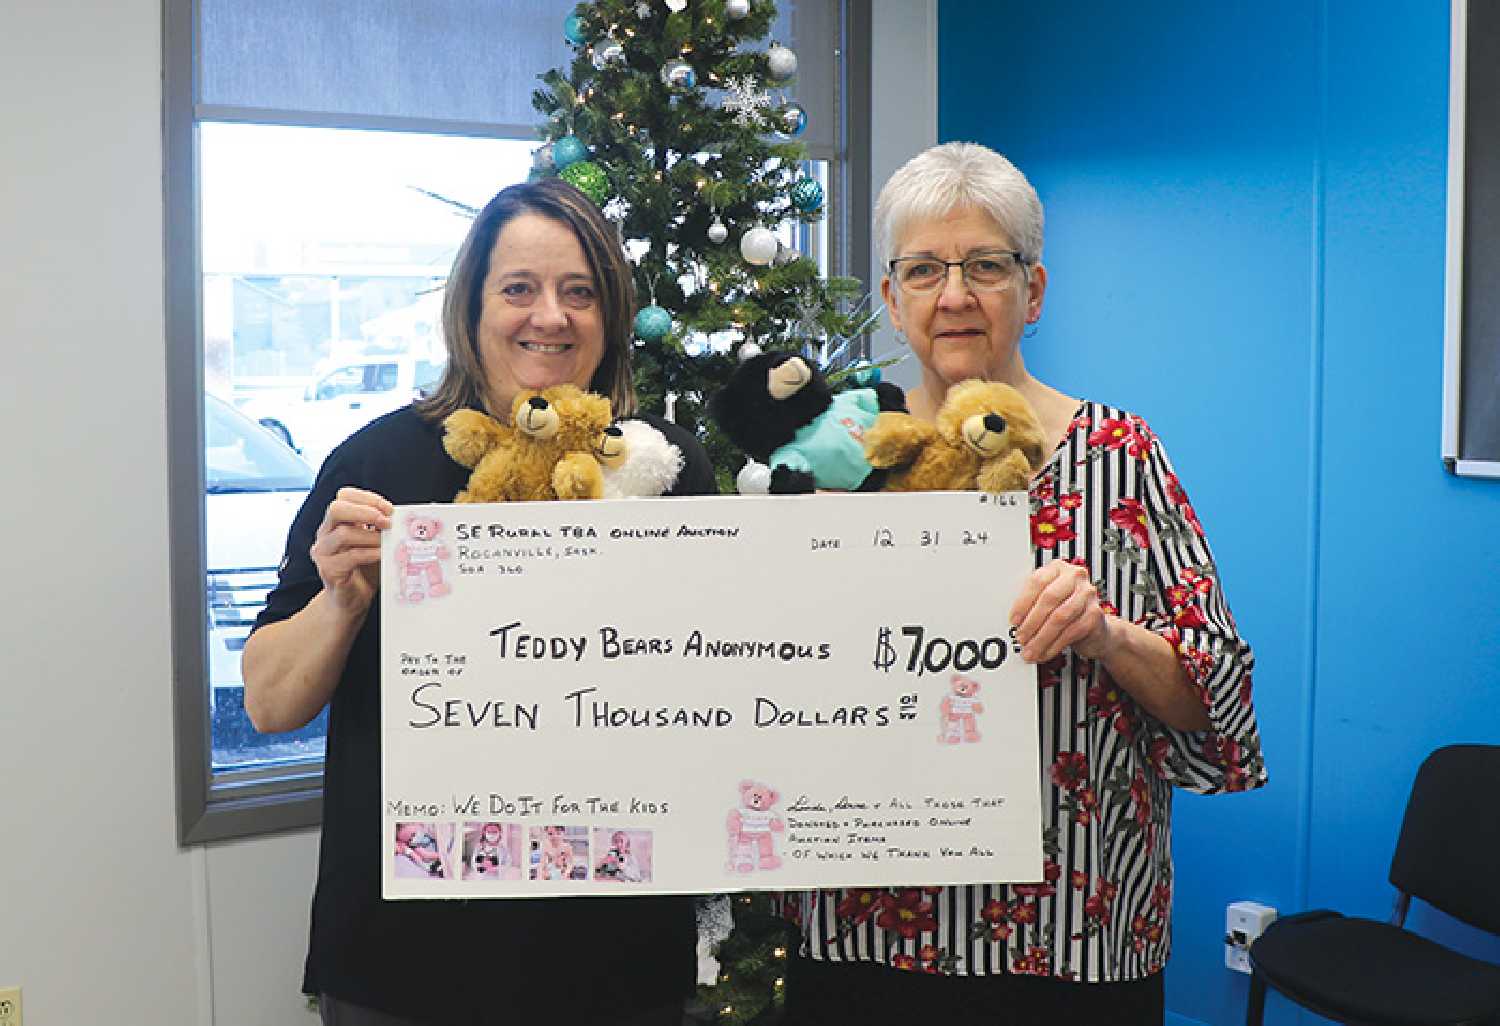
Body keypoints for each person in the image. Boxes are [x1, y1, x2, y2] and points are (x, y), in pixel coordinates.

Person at [782, 142, 1268, 1024]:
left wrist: (1107, 633)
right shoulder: (839, 460)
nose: (955, 294)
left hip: (1076, 934)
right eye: (924, 269)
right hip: (865, 927)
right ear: (893, 300)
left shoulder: (1120, 454)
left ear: (1032, 291)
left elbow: (1216, 700)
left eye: (985, 266)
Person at [242, 178, 716, 1026]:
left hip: (615, 949)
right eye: (519, 289)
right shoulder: (376, 466)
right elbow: (272, 701)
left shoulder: (667, 470)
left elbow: (727, 677)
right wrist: (342, 601)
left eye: (580, 292)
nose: (550, 316)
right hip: (407, 961)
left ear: (608, 317)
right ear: (471, 311)